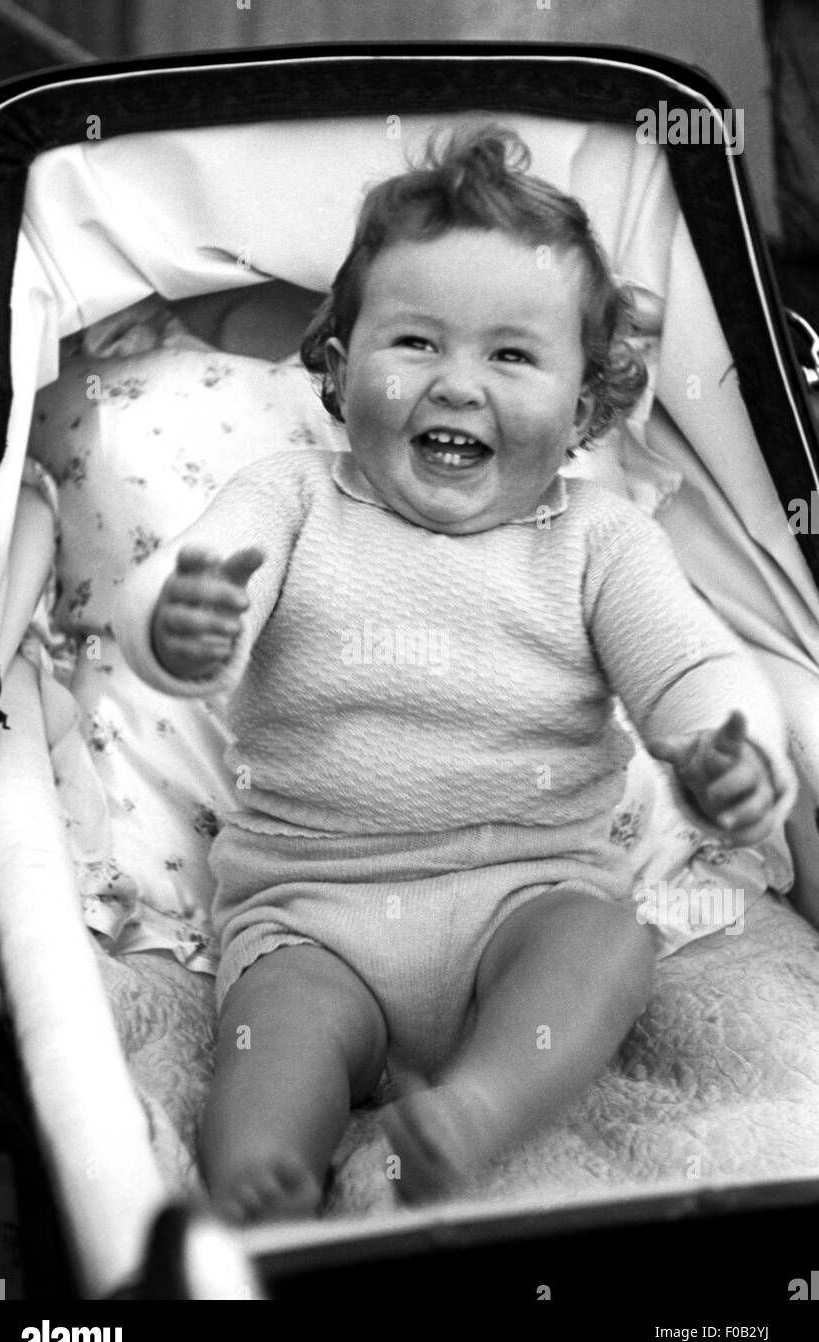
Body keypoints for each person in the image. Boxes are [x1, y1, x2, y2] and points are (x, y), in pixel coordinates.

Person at [115, 124, 795, 1219]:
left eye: (511, 355)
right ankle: (261, 1183)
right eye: (416, 344)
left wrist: (728, 748)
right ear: (338, 372)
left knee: (607, 940)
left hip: (522, 902)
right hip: (311, 913)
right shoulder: (287, 496)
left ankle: (473, 1109)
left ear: (584, 406)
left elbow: (691, 666)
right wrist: (182, 626)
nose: (458, 385)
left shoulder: (600, 539)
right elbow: (194, 578)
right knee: (273, 1030)